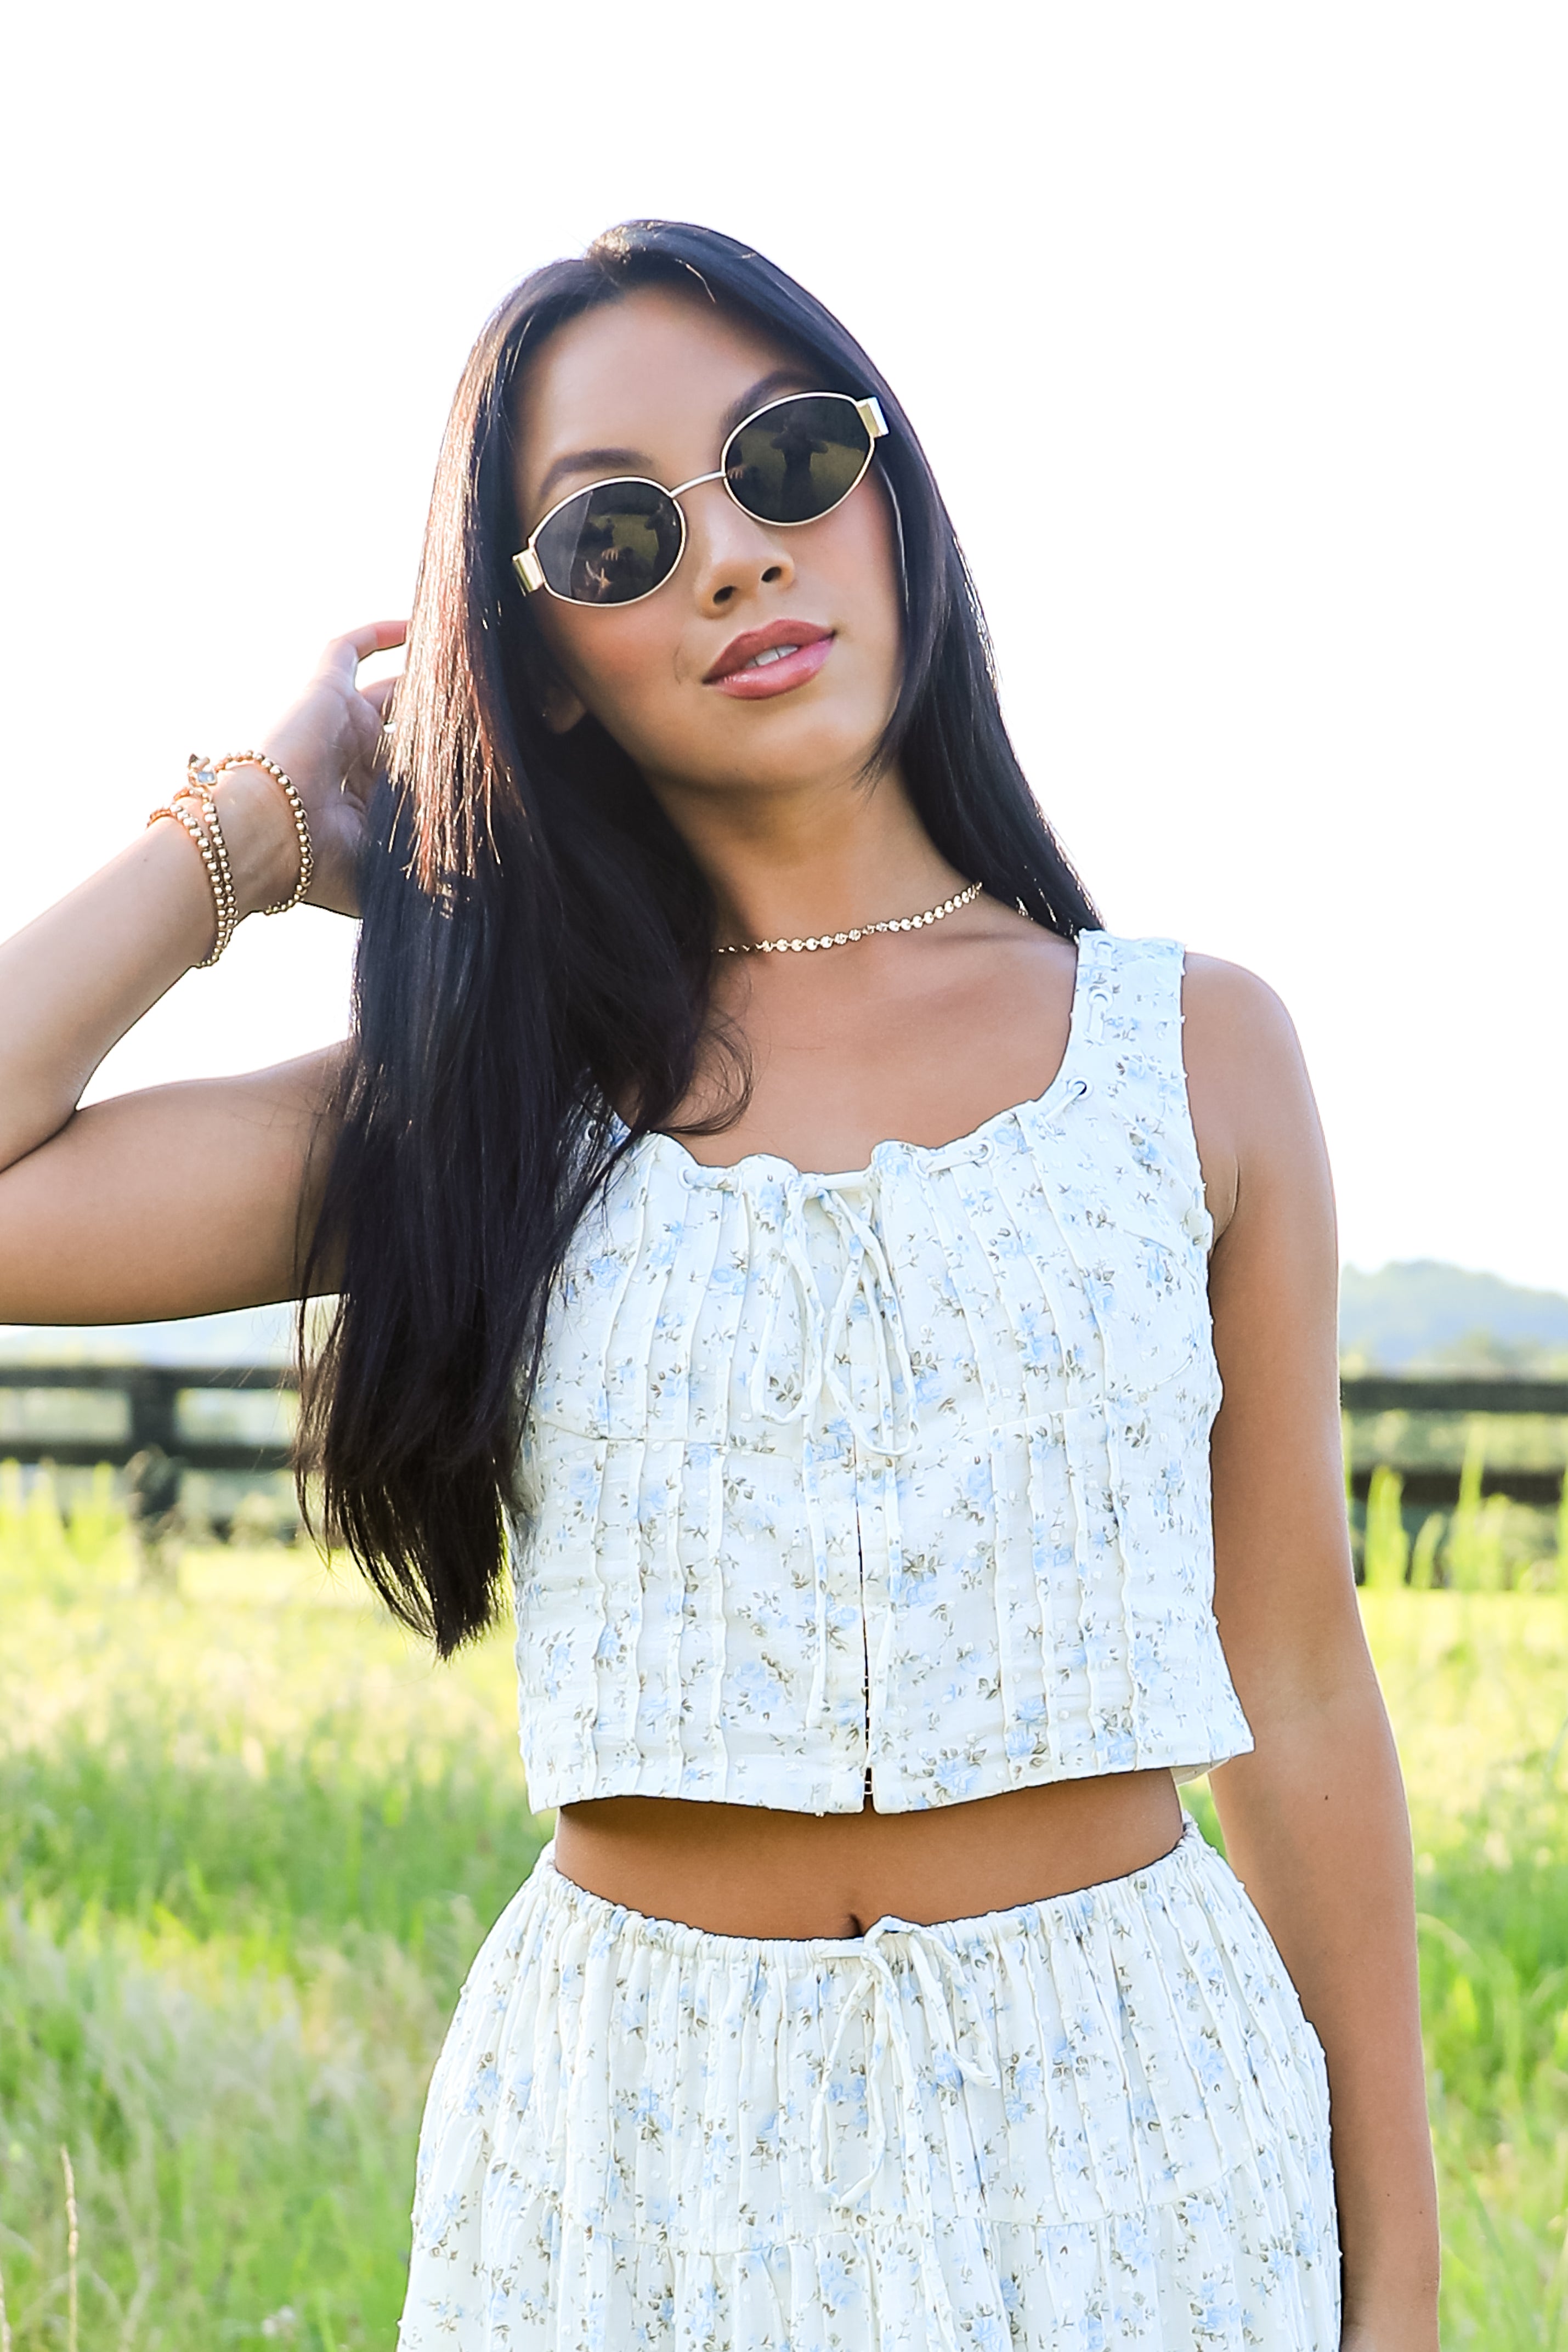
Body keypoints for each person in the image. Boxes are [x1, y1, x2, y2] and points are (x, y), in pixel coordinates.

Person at [0, 221, 1438, 2349]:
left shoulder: (1194, 1055)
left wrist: (1393, 2279)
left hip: (1136, 2127)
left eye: (782, 459)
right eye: (608, 534)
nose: (730, 556)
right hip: (630, 2161)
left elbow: (1303, 1684)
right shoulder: (478, 1101)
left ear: (889, 494)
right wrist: (247, 827)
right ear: (542, 658)